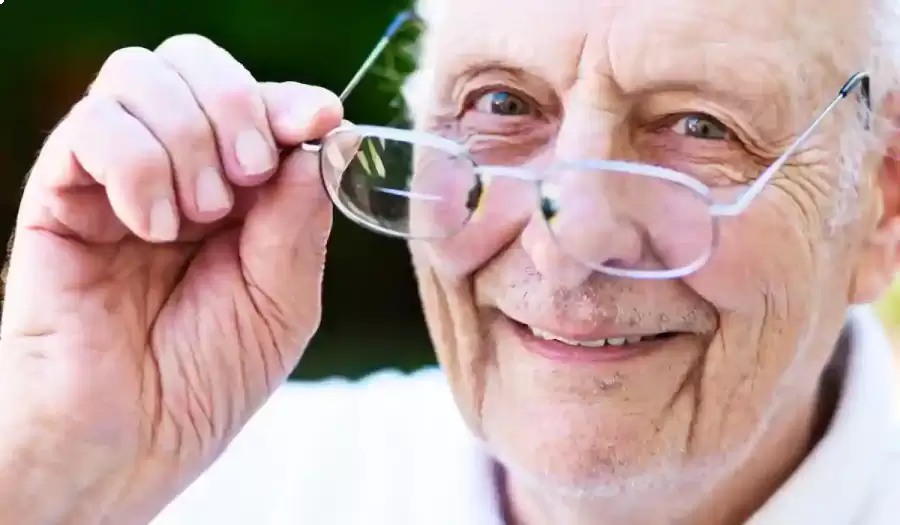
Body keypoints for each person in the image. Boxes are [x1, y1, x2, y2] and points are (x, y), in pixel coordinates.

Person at [1, 0, 899, 522]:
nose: (565, 241)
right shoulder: (220, 491)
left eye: (701, 127)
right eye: (501, 105)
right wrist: (56, 468)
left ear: (880, 211)